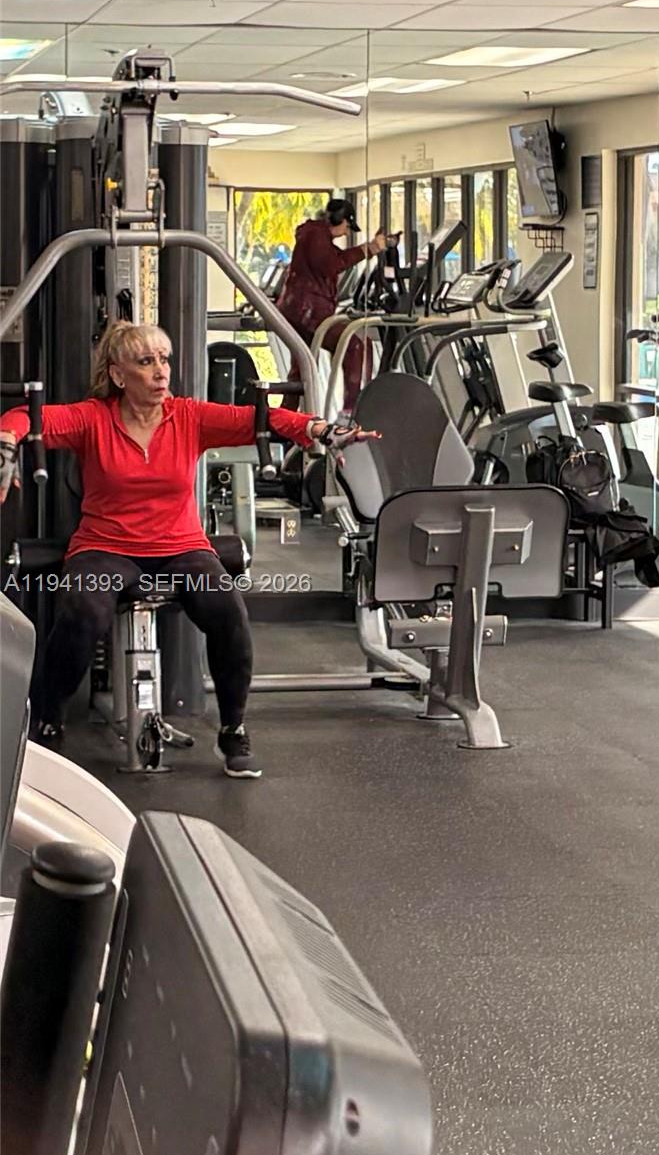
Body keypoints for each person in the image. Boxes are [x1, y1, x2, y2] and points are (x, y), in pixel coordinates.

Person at [0, 322, 379, 779]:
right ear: (118, 375)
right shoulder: (94, 418)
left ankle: (233, 729)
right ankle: (47, 719)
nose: (161, 371)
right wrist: (7, 442)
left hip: (180, 547)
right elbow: (26, 416)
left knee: (227, 609)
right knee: (83, 610)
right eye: (146, 362)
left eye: (165, 360)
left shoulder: (189, 417)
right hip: (106, 548)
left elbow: (262, 419)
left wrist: (320, 429)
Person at [278, 197, 391, 410]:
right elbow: (333, 264)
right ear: (340, 219)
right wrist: (369, 249)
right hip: (308, 312)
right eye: (347, 227)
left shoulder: (315, 235)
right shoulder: (316, 235)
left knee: (301, 367)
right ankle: (351, 411)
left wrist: (371, 248)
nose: (347, 233)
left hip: (299, 310)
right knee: (356, 346)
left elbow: (336, 257)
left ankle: (284, 417)